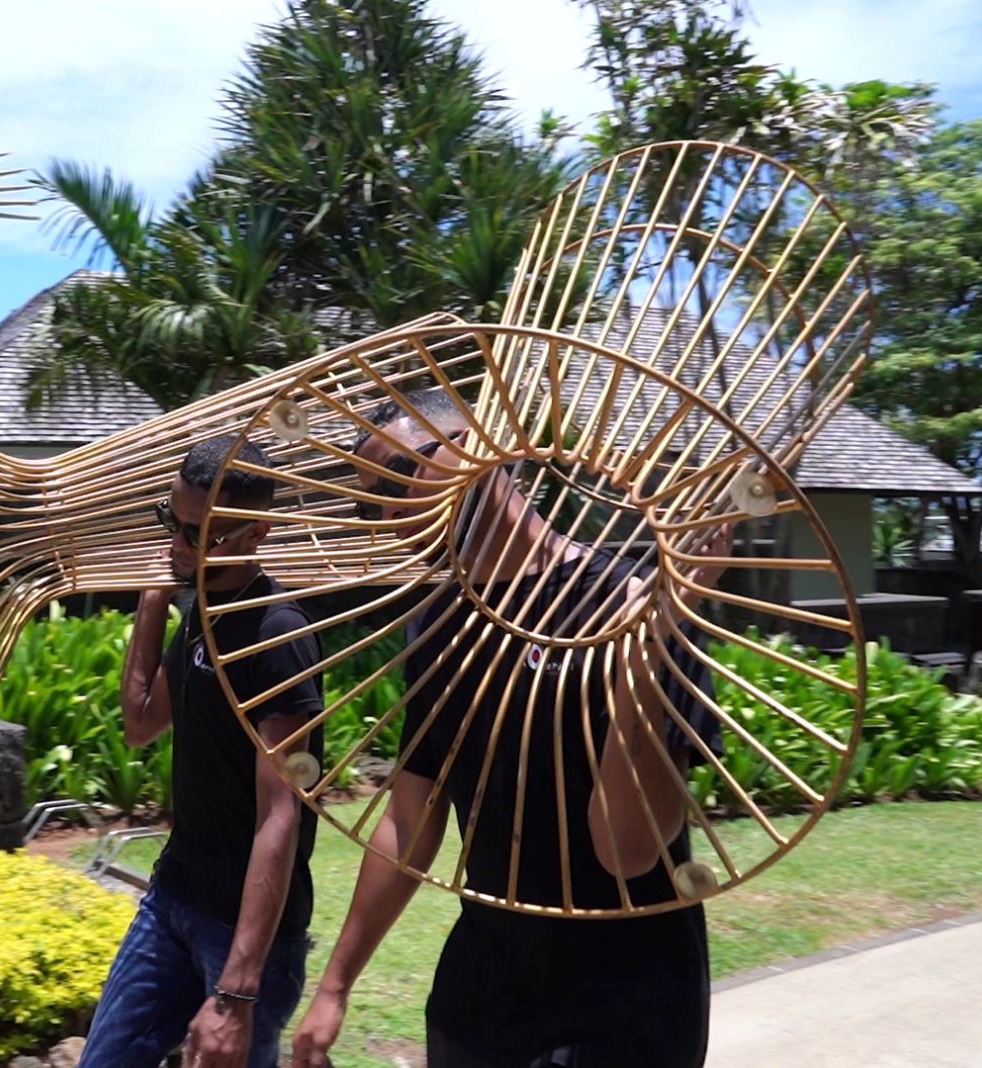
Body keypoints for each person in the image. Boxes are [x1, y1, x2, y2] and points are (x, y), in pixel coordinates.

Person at [292, 389, 731, 1068]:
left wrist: (646, 650)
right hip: (485, 994)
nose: (387, 512)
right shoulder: (439, 627)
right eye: (368, 503)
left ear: (476, 449)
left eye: (397, 476)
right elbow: (409, 826)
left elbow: (629, 851)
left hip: (622, 1006)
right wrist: (335, 986)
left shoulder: (638, 606)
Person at [78, 435, 326, 1068]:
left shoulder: (276, 634)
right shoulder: (203, 610)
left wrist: (237, 990)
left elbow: (280, 814)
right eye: (172, 523)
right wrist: (153, 600)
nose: (179, 546)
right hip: (173, 901)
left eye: (200, 535)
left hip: (243, 936)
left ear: (256, 533)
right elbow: (140, 723)